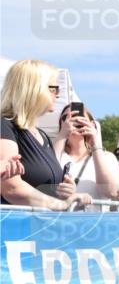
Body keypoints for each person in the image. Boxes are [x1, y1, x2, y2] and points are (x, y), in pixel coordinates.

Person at [1, 59, 91, 209]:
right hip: (15, 228)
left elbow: (37, 187)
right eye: (54, 88)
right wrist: (61, 204)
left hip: (39, 227)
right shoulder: (4, 125)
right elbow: (11, 188)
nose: (57, 94)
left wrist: (64, 193)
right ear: (34, 89)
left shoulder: (42, 136)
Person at [53, 104, 119, 200]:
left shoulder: (107, 157)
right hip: (59, 214)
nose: (72, 120)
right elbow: (44, 183)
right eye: (66, 117)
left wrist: (95, 145)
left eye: (79, 117)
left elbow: (112, 191)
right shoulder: (55, 154)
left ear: (92, 124)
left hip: (94, 215)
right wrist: (62, 136)